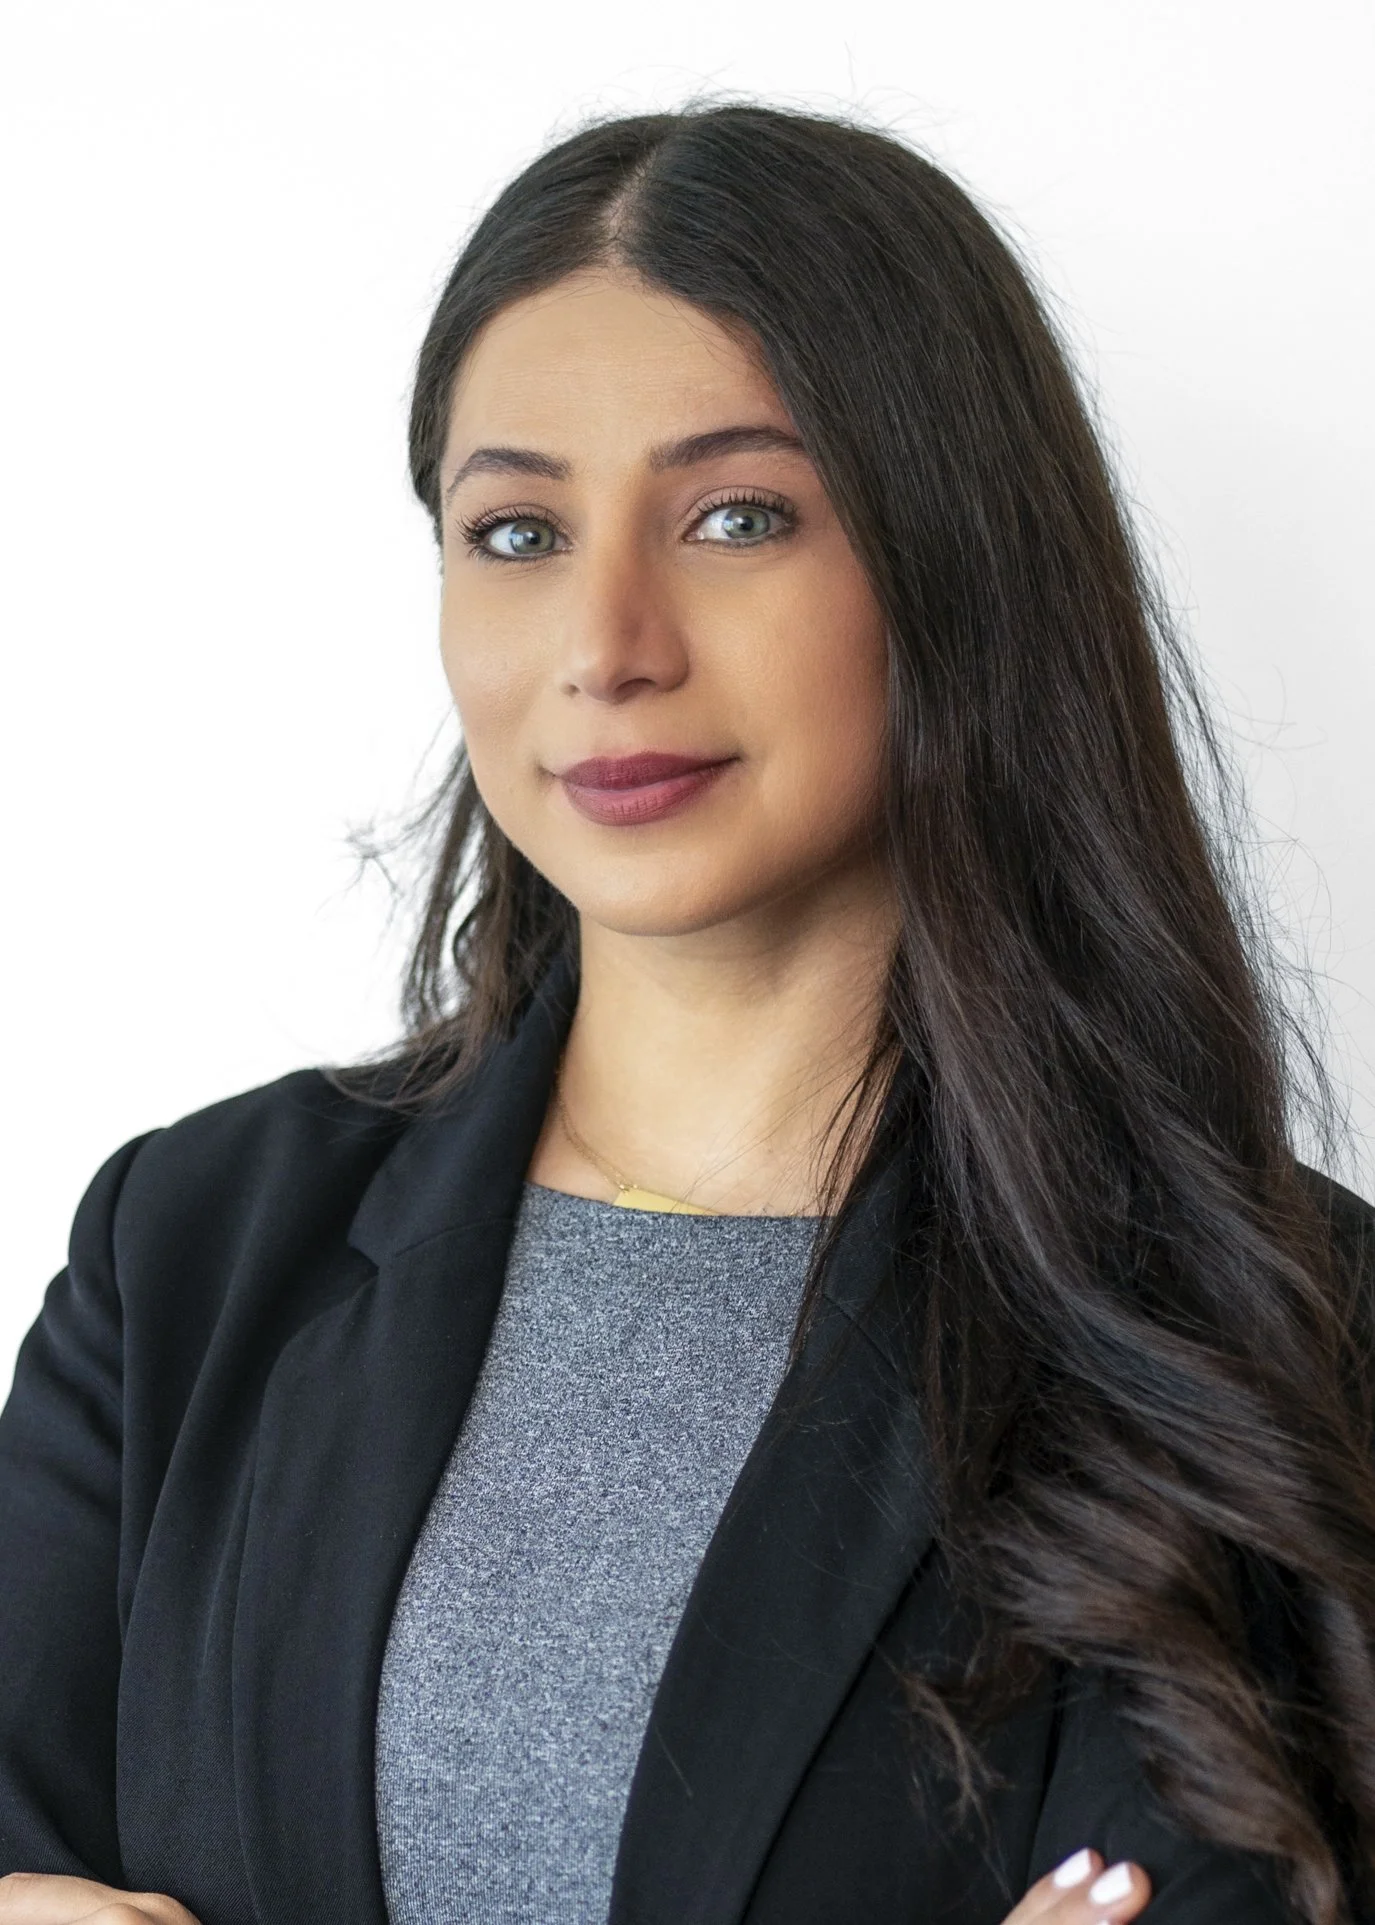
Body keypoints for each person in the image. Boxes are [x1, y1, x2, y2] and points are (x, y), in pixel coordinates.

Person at [1, 100, 1373, 1925]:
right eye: (514, 532)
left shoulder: (1265, 1338)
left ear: (953, 564)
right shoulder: (188, 1252)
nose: (607, 640)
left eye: (739, 516)